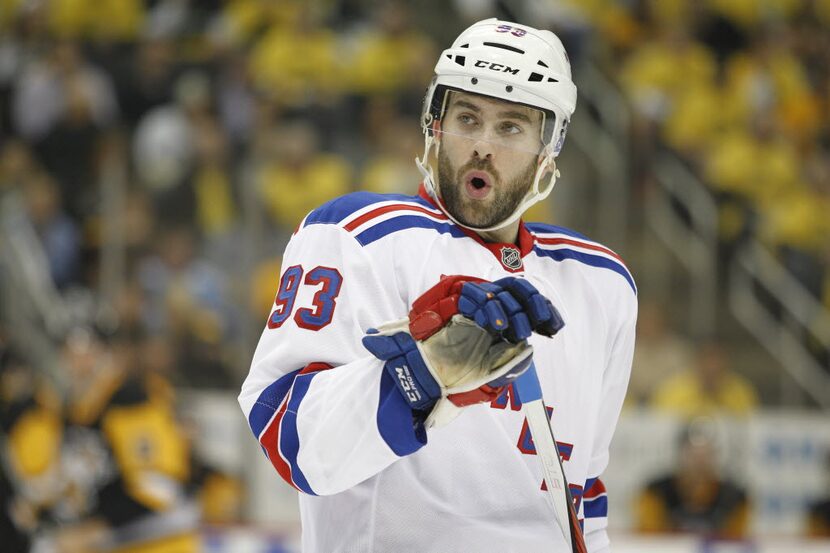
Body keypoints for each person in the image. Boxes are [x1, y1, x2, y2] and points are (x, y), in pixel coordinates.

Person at [239, 18, 637, 552]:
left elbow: (583, 491)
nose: (483, 147)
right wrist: (422, 372)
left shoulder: (601, 281)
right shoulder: (358, 235)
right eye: (467, 118)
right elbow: (288, 438)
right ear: (435, 124)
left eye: (511, 127)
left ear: (550, 146)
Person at [634, 419, 750, 539]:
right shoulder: (655, 493)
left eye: (706, 455)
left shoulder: (734, 498)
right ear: (681, 454)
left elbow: (735, 543)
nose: (699, 462)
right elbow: (648, 541)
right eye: (693, 455)